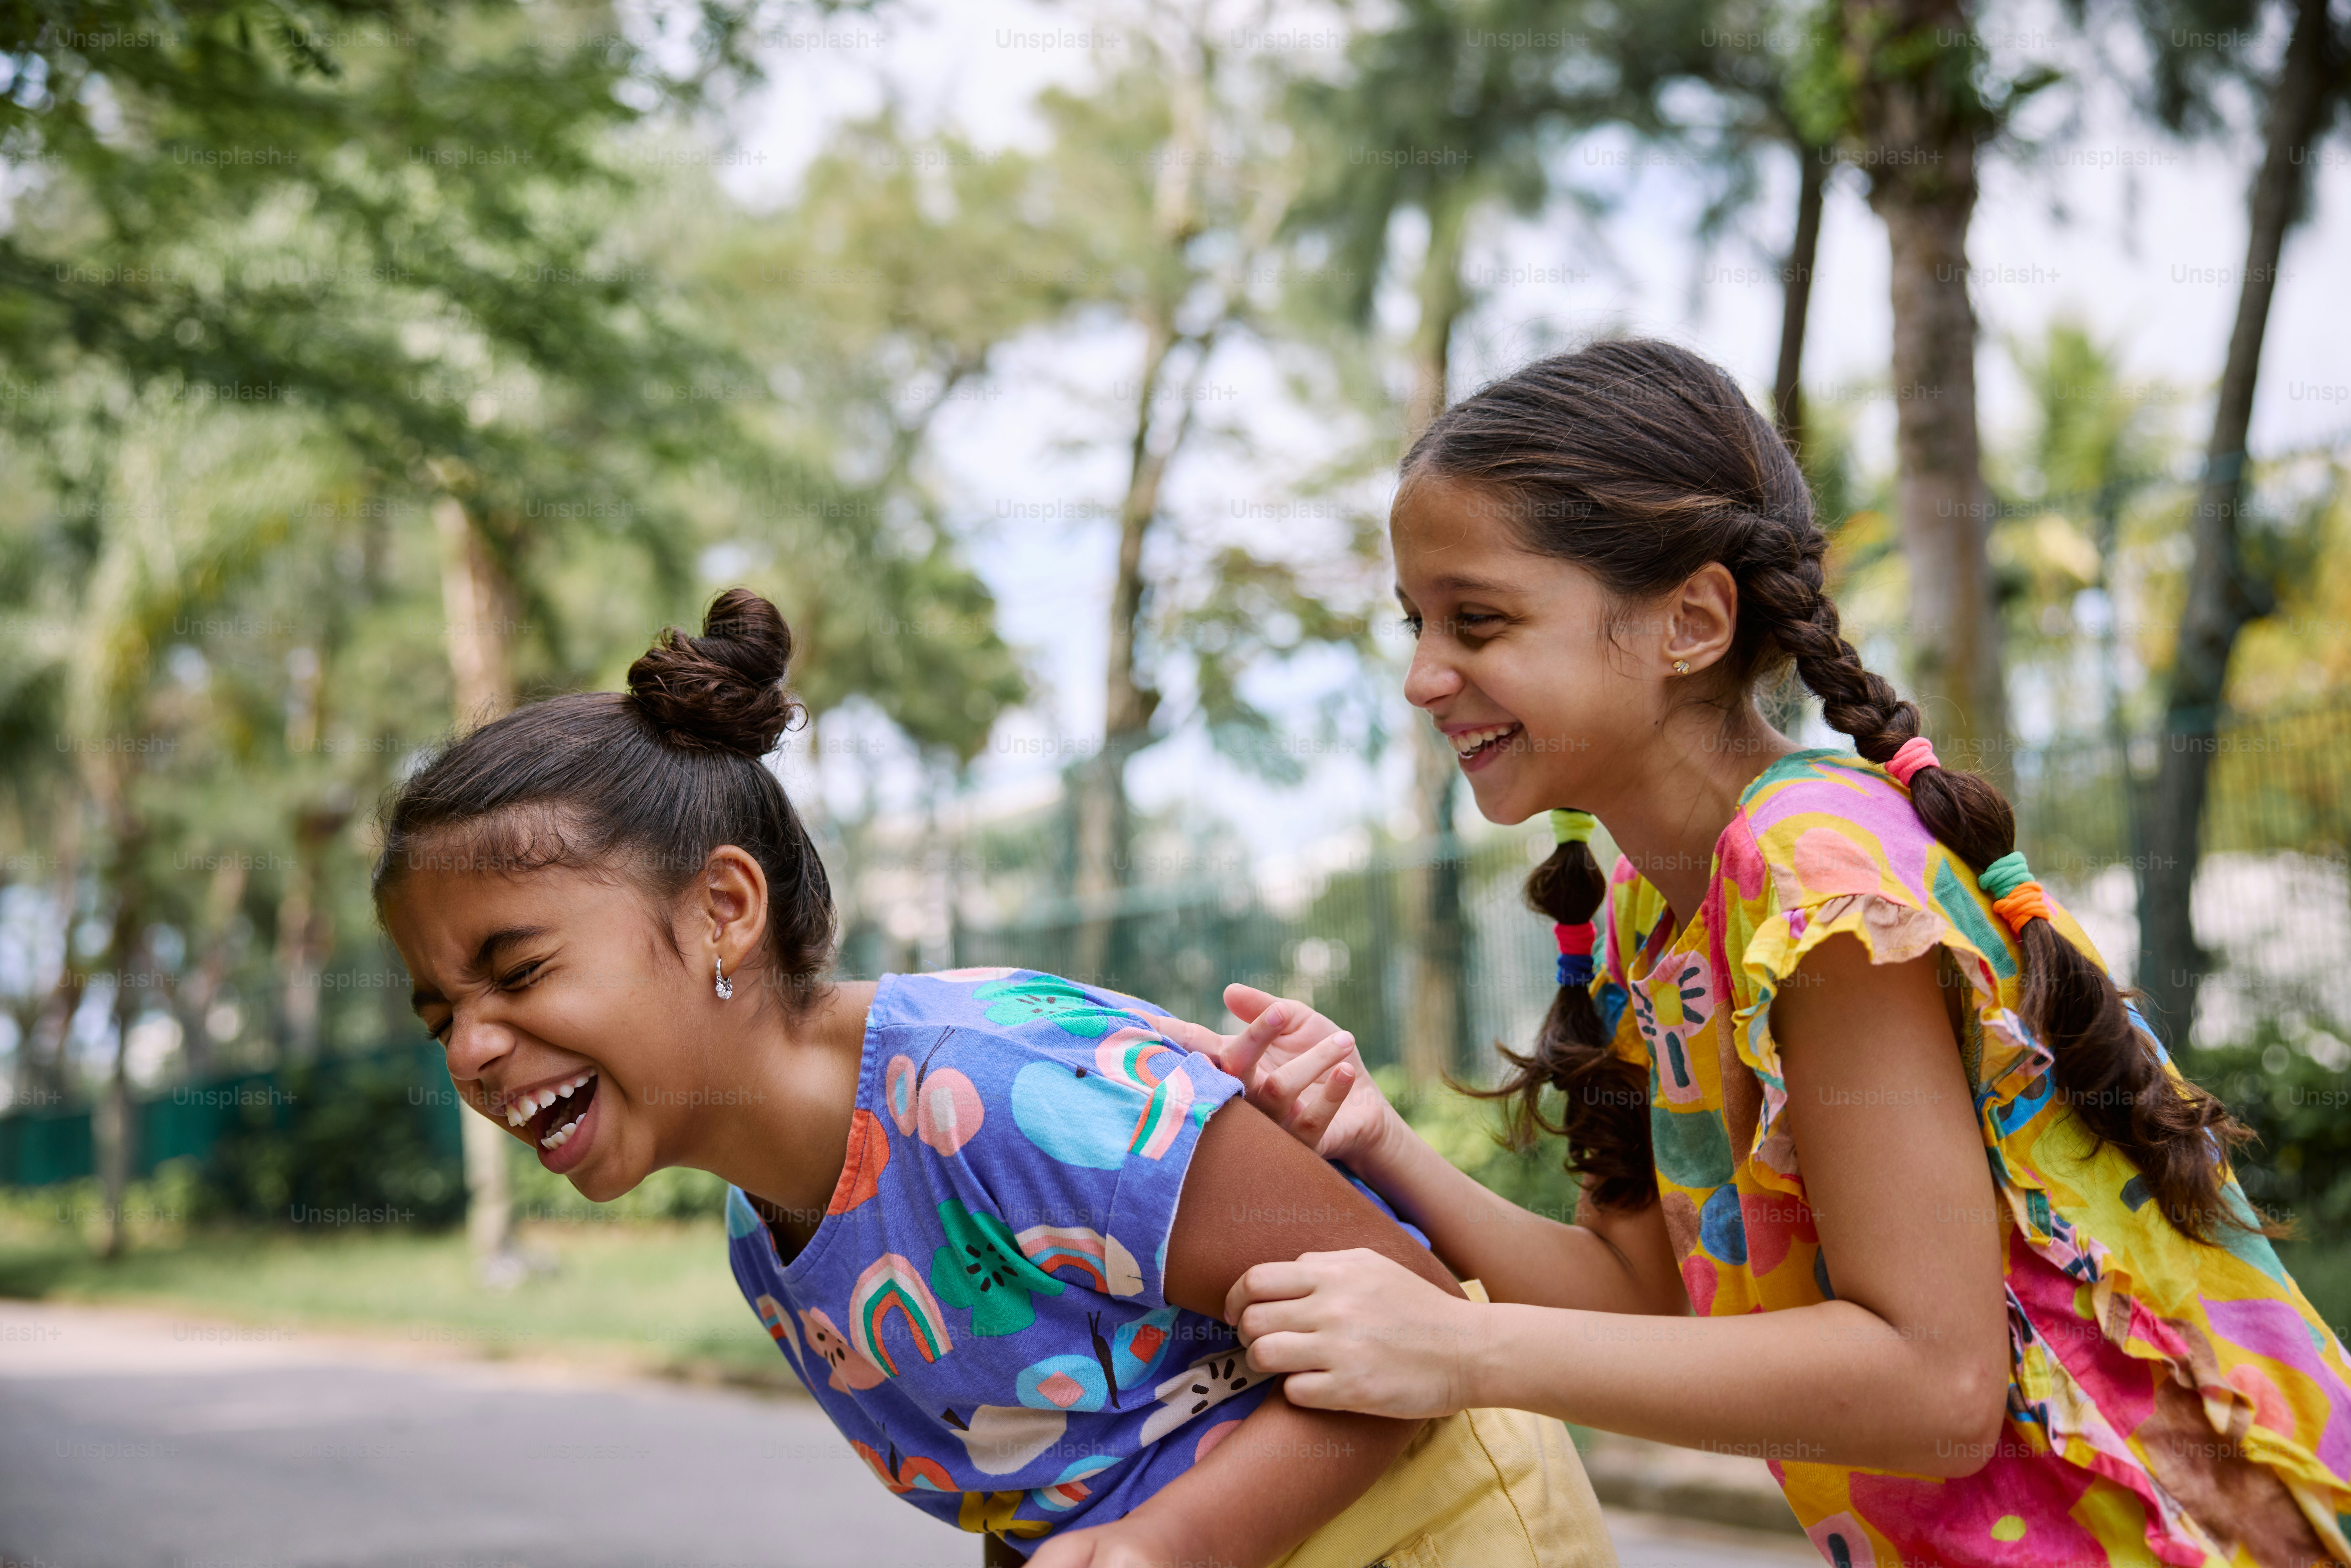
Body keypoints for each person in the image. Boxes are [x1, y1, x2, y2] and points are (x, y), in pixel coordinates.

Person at [1211, 339, 2351, 1568]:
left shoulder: (1818, 882)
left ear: (1691, 621)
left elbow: (1936, 1386)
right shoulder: (1651, 918)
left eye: (1476, 621)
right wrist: (1373, 1137)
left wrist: (1463, 1352)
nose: (1425, 677)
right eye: (1417, 624)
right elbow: (1648, 1301)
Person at [371, 588, 1615, 1568]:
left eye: (518, 973)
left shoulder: (1006, 1090)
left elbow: (1413, 1325)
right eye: (442, 1014)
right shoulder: (772, 1245)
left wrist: (1177, 1543)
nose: (472, 1049)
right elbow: (1040, 1489)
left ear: (721, 911)